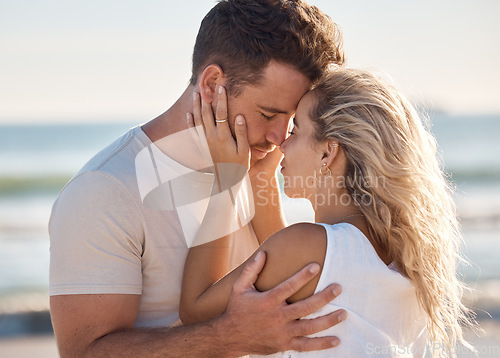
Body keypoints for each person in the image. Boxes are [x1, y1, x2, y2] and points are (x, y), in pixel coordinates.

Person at [49, 0, 347, 357]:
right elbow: (83, 353)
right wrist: (227, 336)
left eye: (292, 120)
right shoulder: (104, 191)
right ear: (212, 85)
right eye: (268, 113)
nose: (280, 138)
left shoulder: (255, 166)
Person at [180, 68, 475, 357]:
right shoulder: (405, 264)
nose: (280, 143)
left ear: (327, 152)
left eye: (295, 130)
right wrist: (261, 176)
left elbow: (195, 309)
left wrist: (226, 180)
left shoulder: (307, 247)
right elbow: (298, 258)